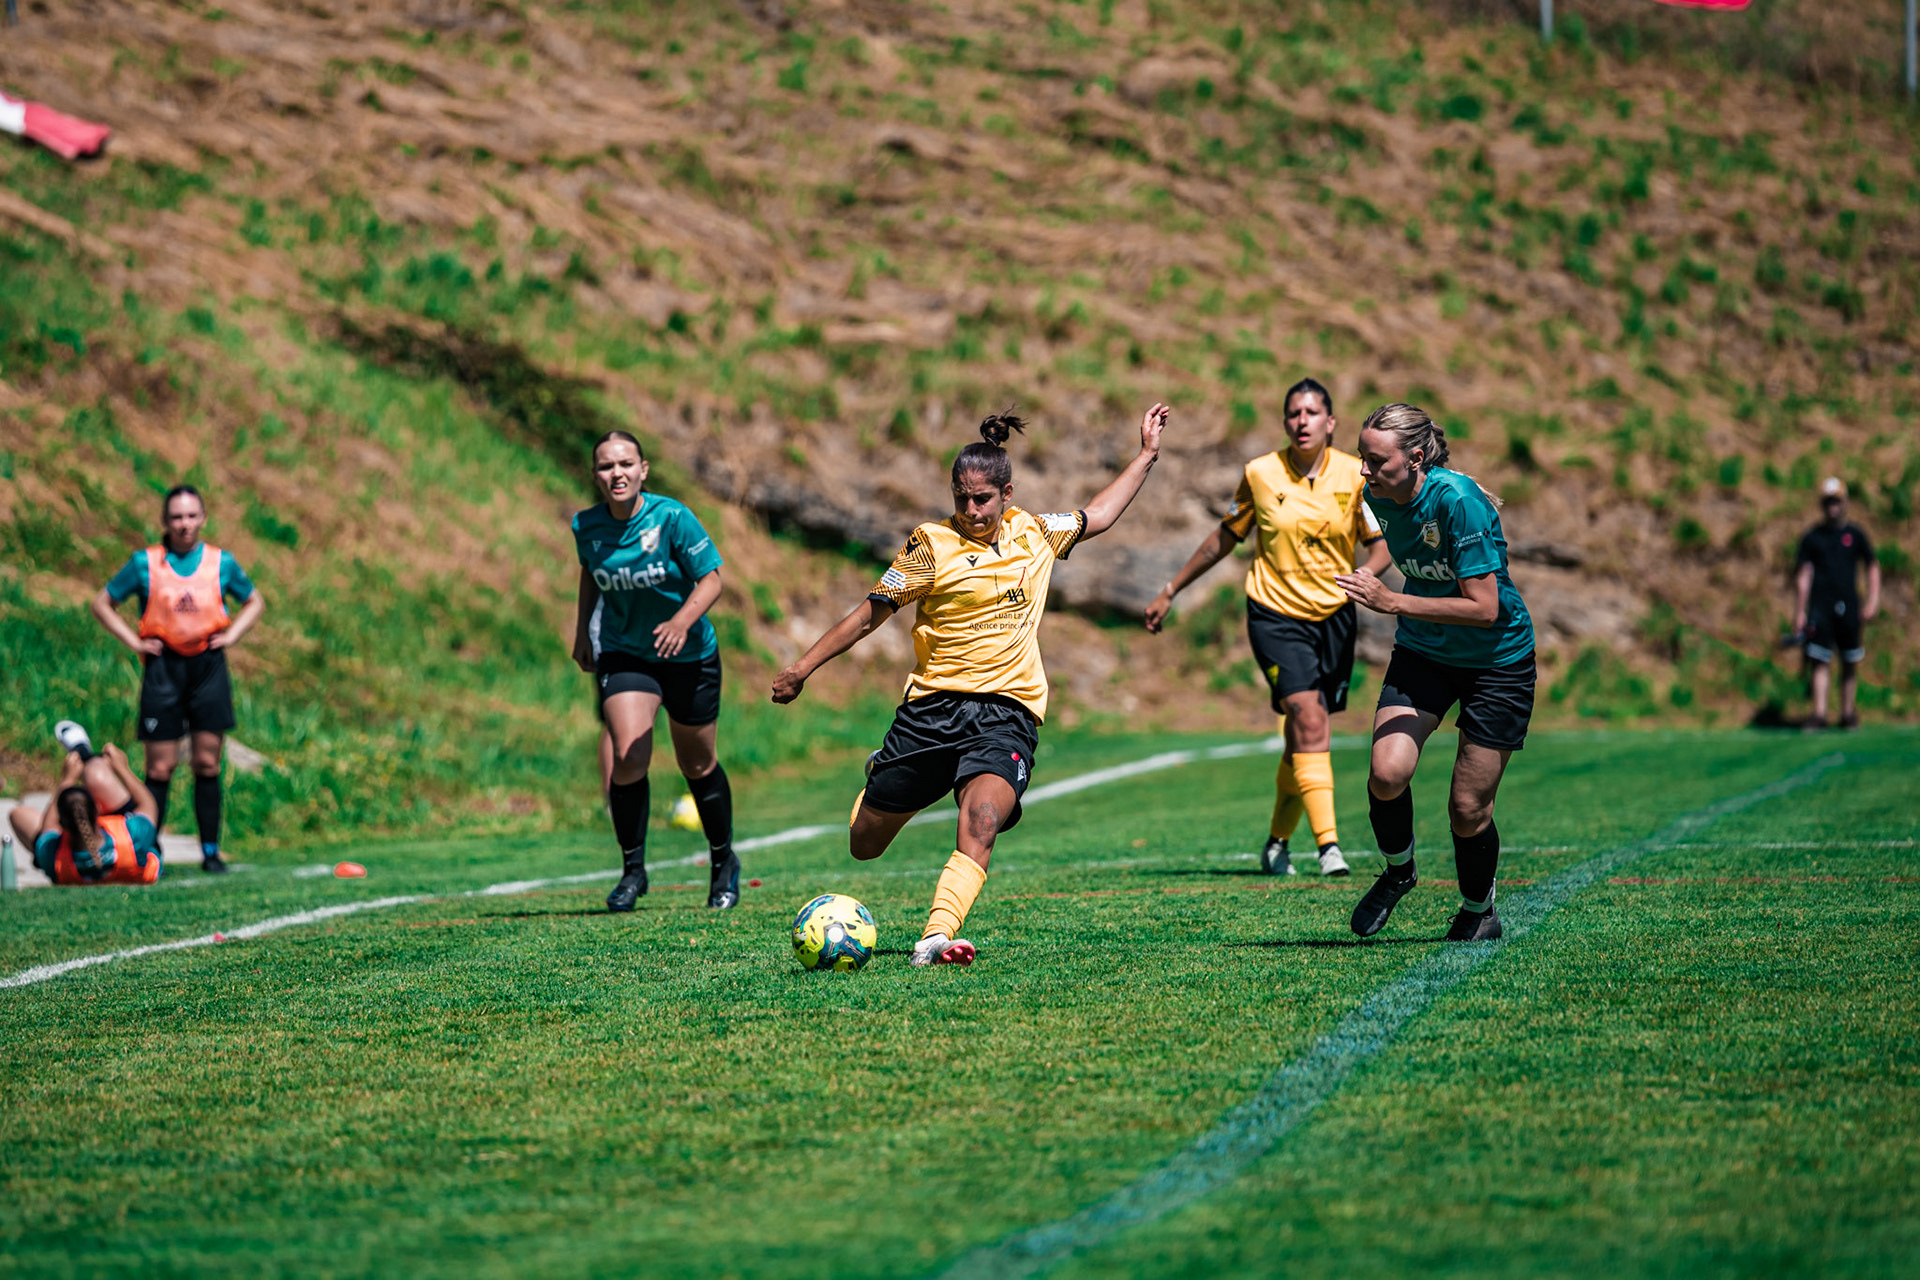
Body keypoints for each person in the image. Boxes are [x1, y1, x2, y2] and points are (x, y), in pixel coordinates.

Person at [771, 403, 1170, 967]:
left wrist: (1146, 455)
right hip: (931, 713)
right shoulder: (930, 545)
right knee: (864, 844)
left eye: (982, 498)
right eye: (961, 497)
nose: (970, 509)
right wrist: (802, 669)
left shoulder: (1036, 532)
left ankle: (937, 935)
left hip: (1007, 712)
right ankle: (877, 776)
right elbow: (868, 615)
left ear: (1008, 494)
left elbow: (1097, 515)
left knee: (983, 817)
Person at [1143, 378, 1390, 878]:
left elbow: (1380, 543)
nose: (1302, 420)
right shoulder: (1259, 474)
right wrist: (1172, 589)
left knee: (1305, 735)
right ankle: (1329, 848)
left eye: (1312, 412)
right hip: (1274, 614)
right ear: (1285, 422)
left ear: (1331, 422)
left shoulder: (1355, 475)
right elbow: (1225, 537)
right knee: (1309, 716)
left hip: (1335, 617)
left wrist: (1365, 578)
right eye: (1293, 412)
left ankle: (1277, 842)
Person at [1333, 403, 1536, 943]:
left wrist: (1392, 601)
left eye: (1375, 460)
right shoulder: (1377, 495)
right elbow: (1386, 553)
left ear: (1415, 457)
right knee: (1386, 772)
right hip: (1425, 651)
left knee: (1468, 809)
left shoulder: (1459, 503)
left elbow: (1485, 608)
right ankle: (1400, 872)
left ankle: (1478, 909)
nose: (1363, 471)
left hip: (1498, 661)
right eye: (1361, 457)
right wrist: (1359, 578)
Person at [572, 430, 739, 913]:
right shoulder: (587, 526)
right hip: (627, 653)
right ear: (596, 475)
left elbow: (712, 580)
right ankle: (632, 871)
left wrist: (682, 621)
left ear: (643, 469)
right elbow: (590, 571)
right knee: (628, 753)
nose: (616, 473)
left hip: (689, 655)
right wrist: (584, 631)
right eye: (606, 466)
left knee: (697, 764)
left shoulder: (671, 517)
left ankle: (723, 862)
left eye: (625, 463)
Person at [89, 484, 265, 874]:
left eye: (191, 516)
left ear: (202, 519)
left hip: (208, 667)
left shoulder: (221, 563)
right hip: (163, 669)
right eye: (176, 517)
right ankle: (152, 850)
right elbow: (102, 603)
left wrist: (233, 634)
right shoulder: (145, 563)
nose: (184, 524)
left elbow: (255, 601)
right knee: (160, 768)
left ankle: (210, 850)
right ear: (165, 521)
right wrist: (134, 640)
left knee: (207, 763)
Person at [7, 725, 164, 886]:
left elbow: (46, 831)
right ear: (98, 809)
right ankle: (85, 754)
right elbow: (148, 805)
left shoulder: (53, 857)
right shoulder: (134, 838)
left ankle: (81, 752)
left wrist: (66, 780)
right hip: (130, 852)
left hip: (74, 860)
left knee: (18, 814)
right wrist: (122, 768)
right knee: (95, 774)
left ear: (61, 824)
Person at [1793, 477, 1881, 730]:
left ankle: (1847, 713)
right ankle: (1819, 714)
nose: (1833, 506)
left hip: (1850, 605)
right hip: (1820, 607)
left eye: (1837, 501)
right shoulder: (1812, 538)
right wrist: (1800, 612)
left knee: (1849, 660)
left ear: (1845, 502)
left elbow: (1872, 566)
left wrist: (1873, 599)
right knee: (1819, 660)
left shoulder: (1855, 535)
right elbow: (1803, 576)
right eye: (1828, 501)